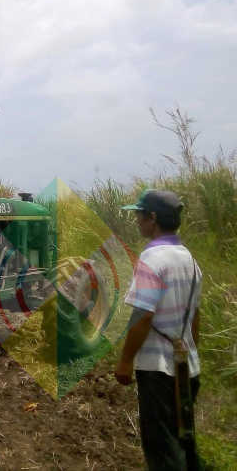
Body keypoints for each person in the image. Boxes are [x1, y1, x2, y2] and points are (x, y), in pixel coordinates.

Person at [115, 189, 202, 470]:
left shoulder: (152, 259)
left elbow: (143, 315)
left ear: (152, 218)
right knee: (184, 439)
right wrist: (188, 352)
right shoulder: (189, 259)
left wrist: (126, 360)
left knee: (162, 449)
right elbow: (195, 316)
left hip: (159, 371)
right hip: (187, 367)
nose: (137, 221)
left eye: (139, 215)